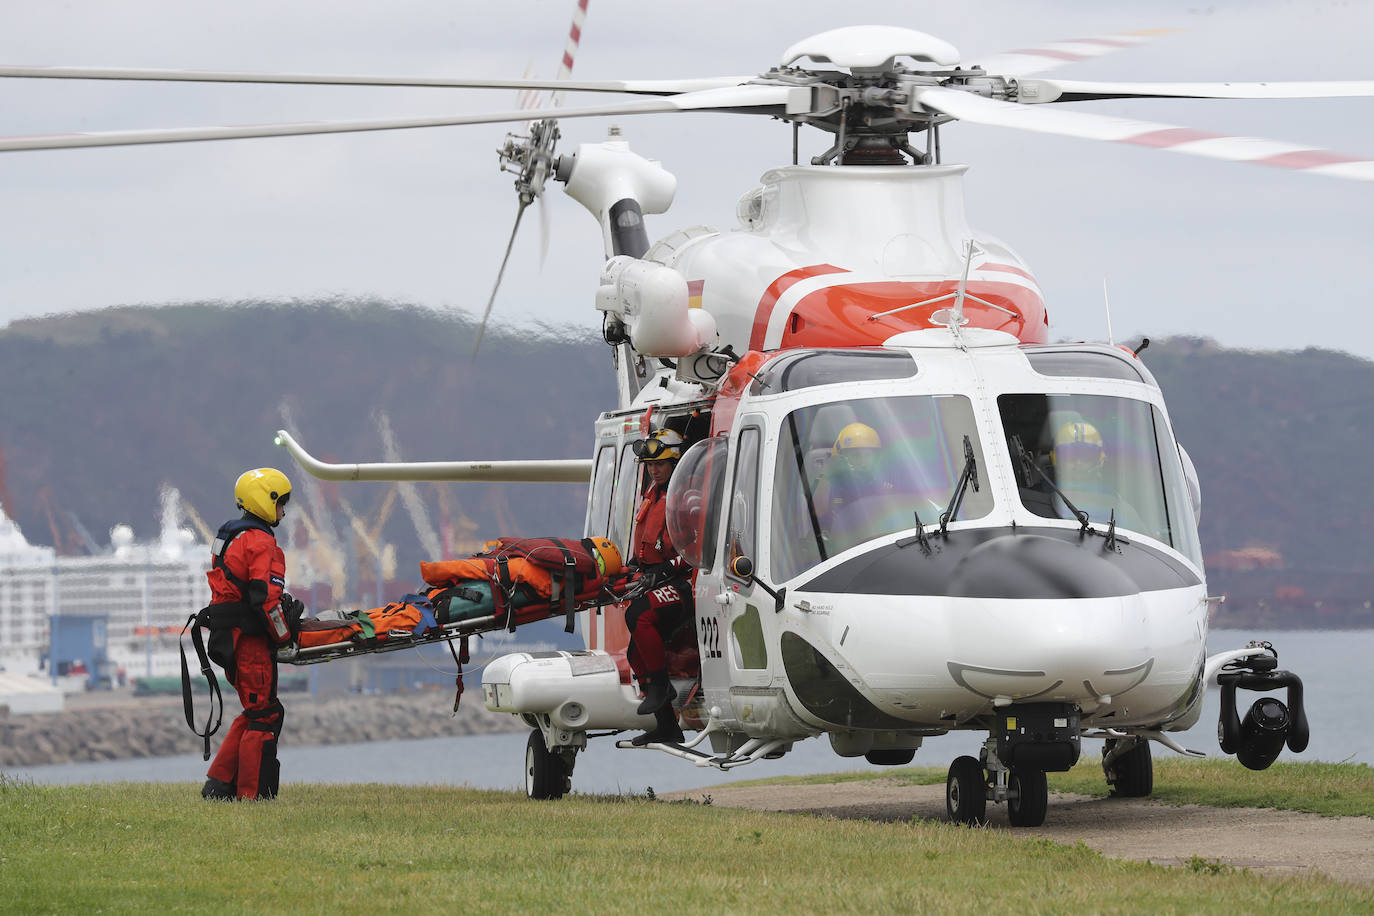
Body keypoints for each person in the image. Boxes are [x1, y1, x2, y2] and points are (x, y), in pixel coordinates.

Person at [199, 468, 303, 800]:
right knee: (265, 715)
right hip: (250, 643)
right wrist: (285, 637)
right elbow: (265, 600)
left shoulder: (229, 535)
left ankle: (218, 786)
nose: (283, 513)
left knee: (256, 711)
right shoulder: (261, 542)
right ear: (266, 501)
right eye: (281, 504)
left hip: (226, 637)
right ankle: (252, 795)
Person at [624, 428, 691, 747]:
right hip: (660, 578)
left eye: (660, 463)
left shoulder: (687, 498)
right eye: (649, 464)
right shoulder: (652, 495)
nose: (653, 469)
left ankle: (660, 688)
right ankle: (666, 725)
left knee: (639, 615)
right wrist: (633, 569)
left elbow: (697, 549)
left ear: (675, 461)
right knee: (634, 653)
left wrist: (664, 569)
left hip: (685, 586)